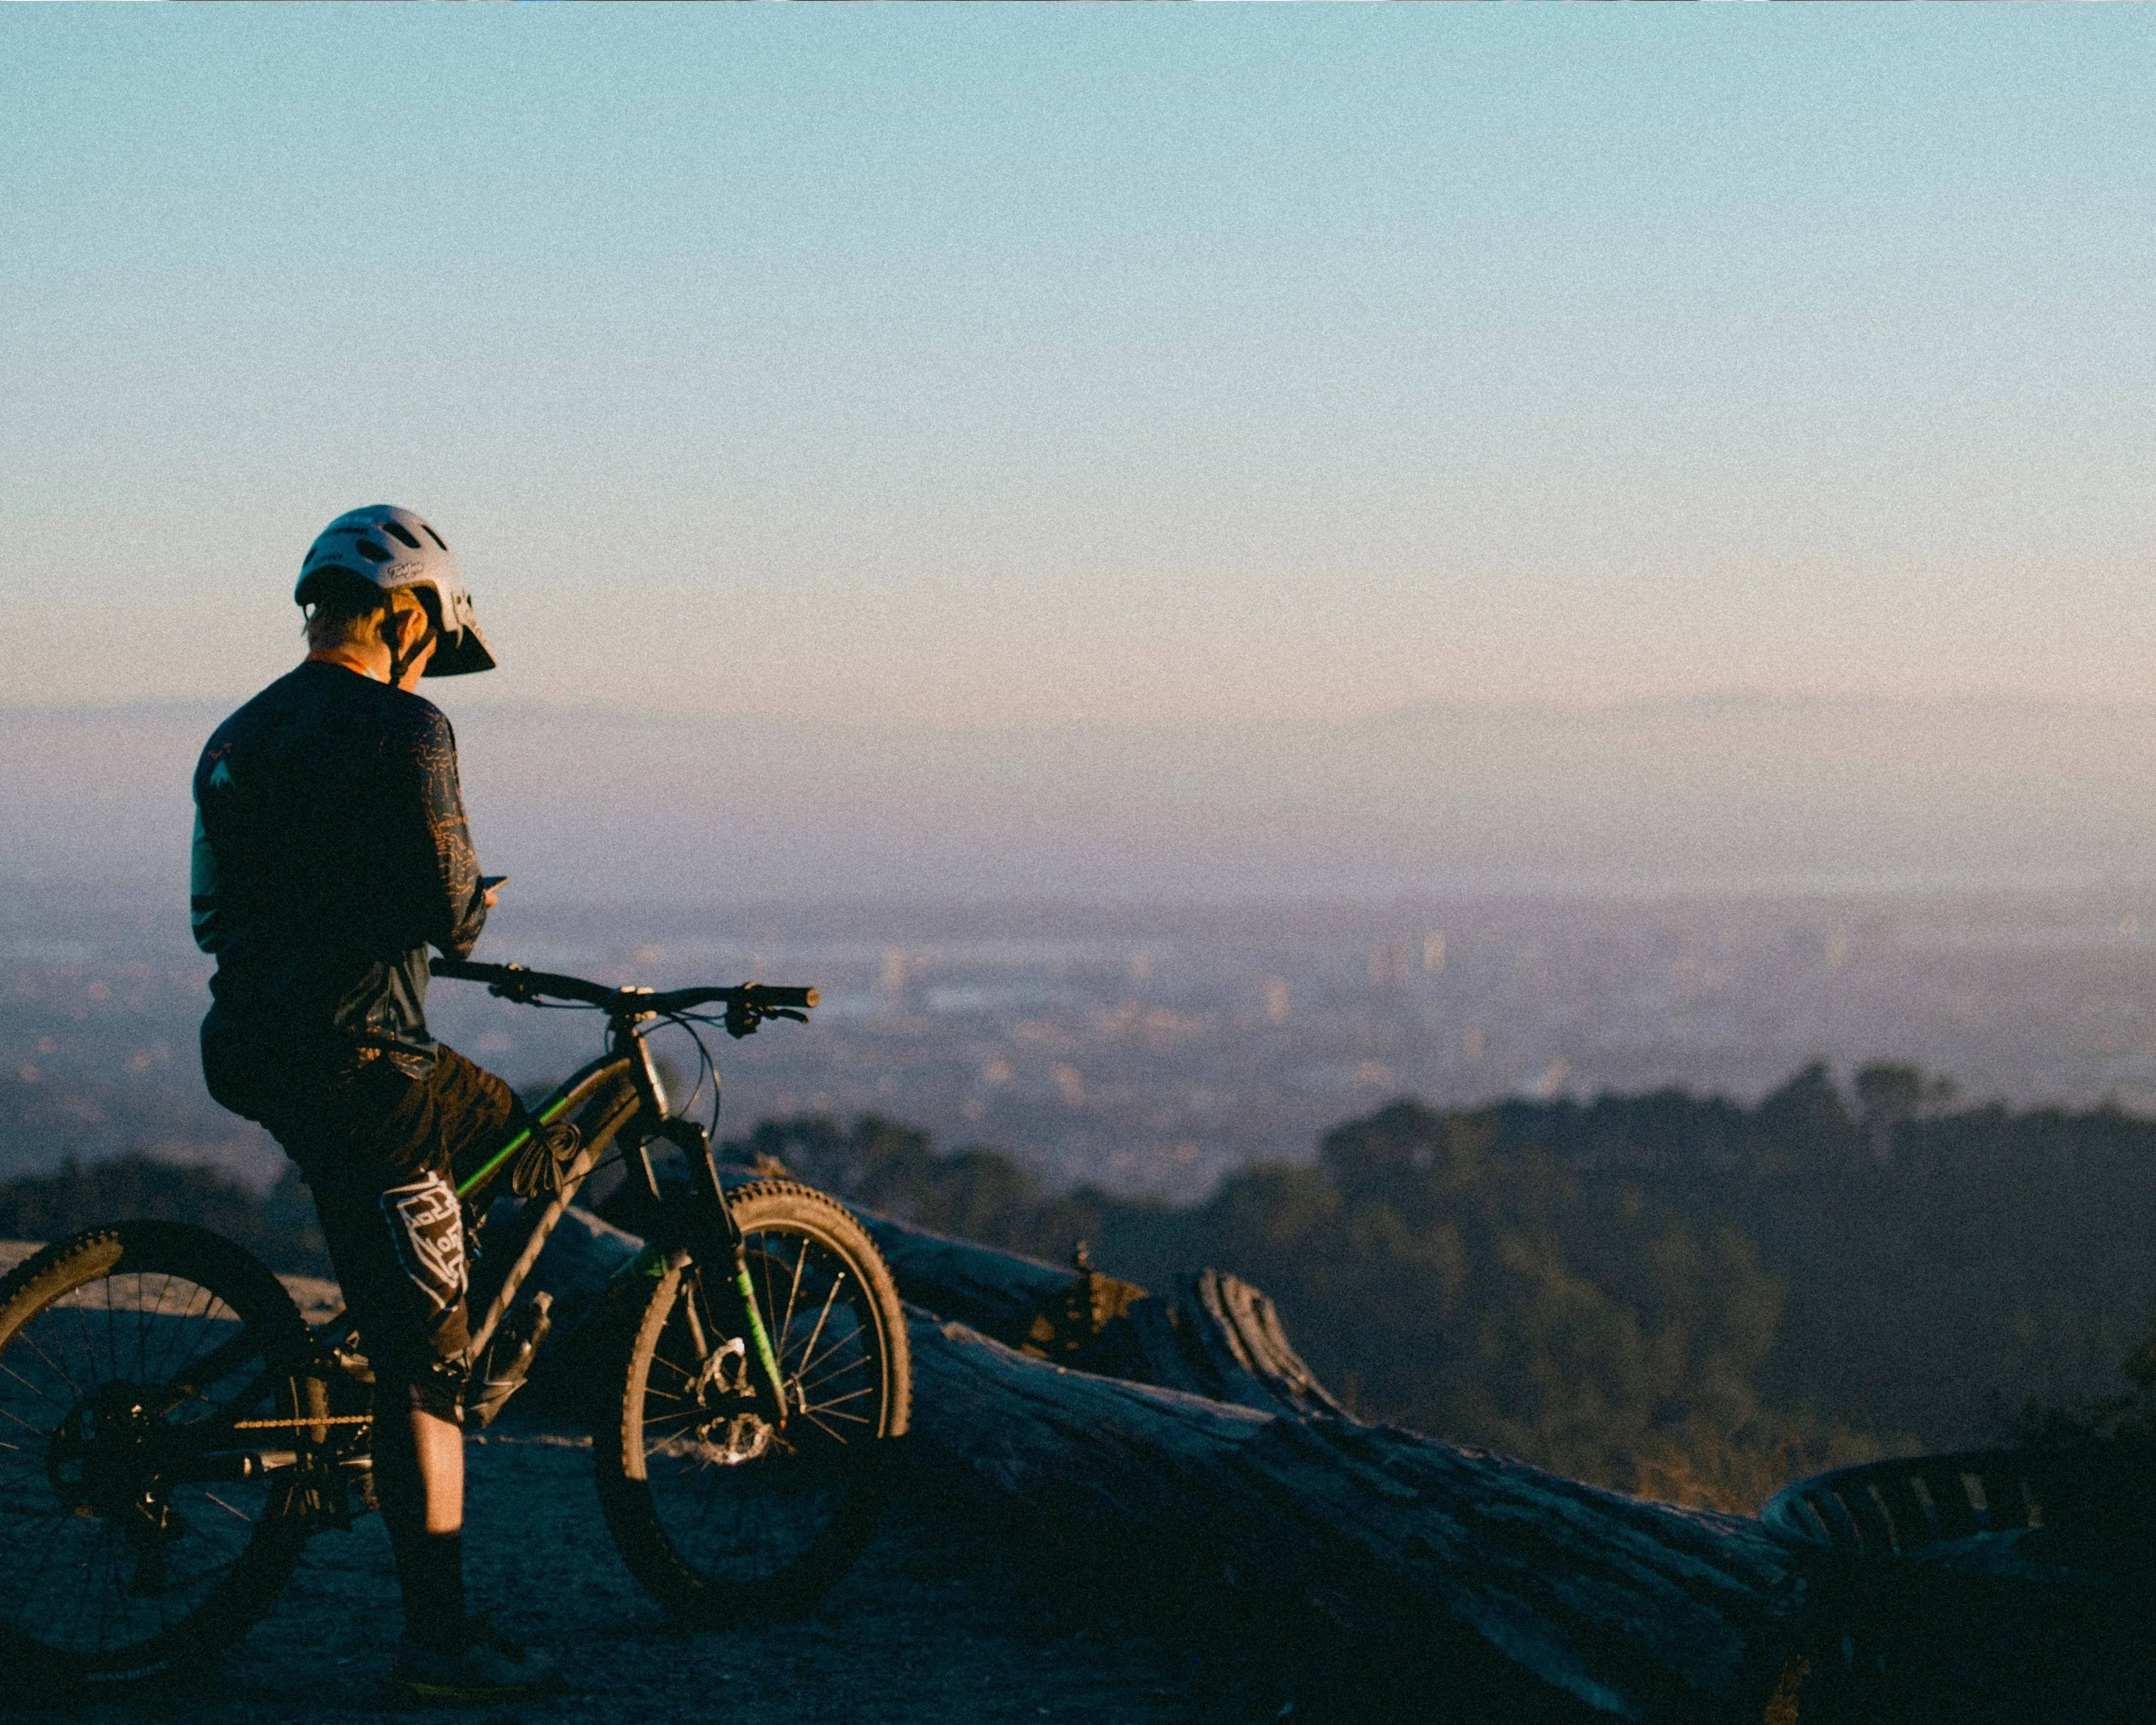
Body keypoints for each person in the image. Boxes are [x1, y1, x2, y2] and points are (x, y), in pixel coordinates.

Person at [191, 505, 568, 1701]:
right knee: (428, 1372)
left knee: (517, 1128)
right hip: (365, 1062)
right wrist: (471, 907)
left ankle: (418, 1303)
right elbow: (452, 912)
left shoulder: (236, 736)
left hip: (251, 1042)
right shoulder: (411, 727)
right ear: (406, 615)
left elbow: (216, 915)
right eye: (433, 639)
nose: (431, 664)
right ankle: (441, 1642)